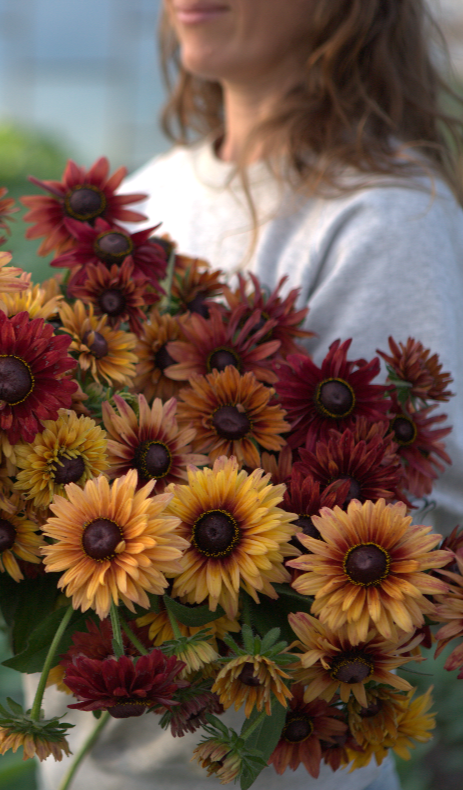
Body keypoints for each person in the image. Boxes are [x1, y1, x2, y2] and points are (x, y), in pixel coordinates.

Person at [32, 1, 463, 789]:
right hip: (94, 754)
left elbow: (404, 513)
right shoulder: (153, 192)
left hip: (262, 765)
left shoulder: (383, 214)